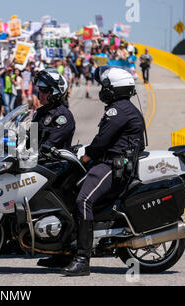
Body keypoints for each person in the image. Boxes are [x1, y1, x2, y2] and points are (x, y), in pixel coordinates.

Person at [59, 66, 146, 277]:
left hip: (112, 165)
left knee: (83, 201)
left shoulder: (118, 110)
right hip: (109, 161)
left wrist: (87, 155)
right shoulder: (122, 108)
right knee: (66, 189)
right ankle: (63, 251)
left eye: (105, 86)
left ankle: (82, 259)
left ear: (115, 89)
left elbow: (102, 141)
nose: (102, 90)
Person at [31, 68, 75, 158]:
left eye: (44, 90)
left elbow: (49, 145)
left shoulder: (63, 116)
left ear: (55, 93)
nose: (40, 93)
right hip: (36, 162)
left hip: (55, 164)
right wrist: (9, 141)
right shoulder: (41, 112)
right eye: (39, 89)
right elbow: (30, 139)